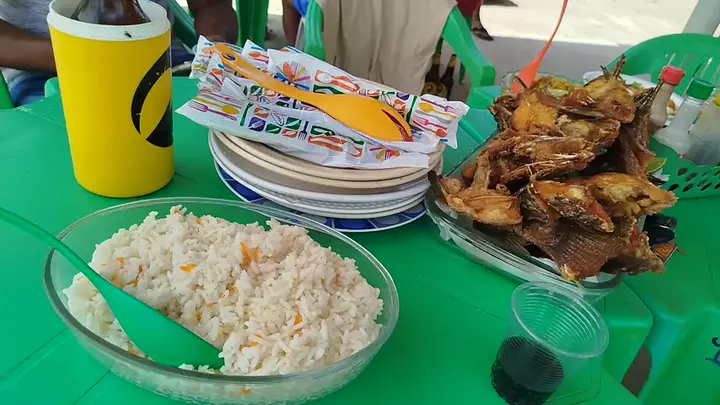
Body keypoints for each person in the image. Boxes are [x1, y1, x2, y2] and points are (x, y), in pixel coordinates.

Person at [0, 0, 238, 106]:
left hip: (162, 57)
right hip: (46, 73)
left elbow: (212, 4)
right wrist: (84, 55)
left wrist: (214, 42)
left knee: (229, 126)